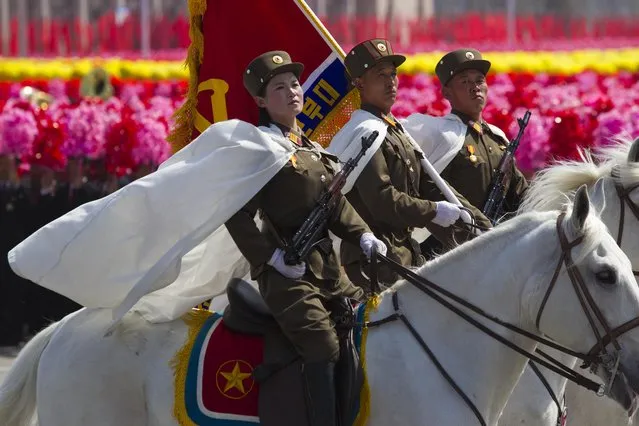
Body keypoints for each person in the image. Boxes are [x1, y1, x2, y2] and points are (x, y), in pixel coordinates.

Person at [224, 50, 386, 426]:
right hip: (286, 278)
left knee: (368, 328)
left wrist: (363, 236)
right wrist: (271, 258)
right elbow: (237, 213)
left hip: (328, 270)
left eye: (295, 84)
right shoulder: (261, 150)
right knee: (322, 346)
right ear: (262, 102)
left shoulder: (310, 149)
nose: (293, 91)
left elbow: (336, 207)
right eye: (279, 88)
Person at [328, 39, 490, 290]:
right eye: (380, 75)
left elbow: (432, 184)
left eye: (392, 74)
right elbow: (382, 199)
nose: (390, 81)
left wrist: (480, 225)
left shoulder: (394, 130)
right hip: (373, 260)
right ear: (359, 83)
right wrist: (434, 211)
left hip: (402, 253)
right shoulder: (364, 132)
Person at [402, 49, 529, 254]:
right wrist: (473, 234)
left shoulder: (496, 138)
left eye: (479, 81)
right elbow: (434, 191)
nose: (475, 88)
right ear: (446, 92)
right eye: (464, 82)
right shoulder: (442, 135)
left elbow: (521, 192)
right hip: (450, 251)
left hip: (498, 246)